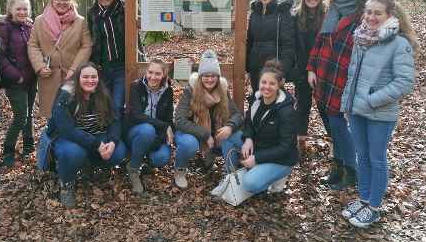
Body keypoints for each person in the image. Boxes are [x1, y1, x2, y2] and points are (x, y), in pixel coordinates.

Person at [340, 0, 417, 228]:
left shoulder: (399, 43)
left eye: (378, 13)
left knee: (376, 158)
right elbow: (352, 75)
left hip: (379, 113)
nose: (372, 17)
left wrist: (372, 100)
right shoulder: (360, 37)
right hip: (356, 110)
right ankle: (363, 199)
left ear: (389, 16)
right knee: (361, 156)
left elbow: (404, 82)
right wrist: (349, 103)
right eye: (369, 12)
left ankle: (374, 206)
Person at [307, 0, 373, 190]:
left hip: (345, 74)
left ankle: (350, 169)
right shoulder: (333, 10)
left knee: (337, 122)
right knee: (329, 121)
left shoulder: (365, 13)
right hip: (324, 72)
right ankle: (336, 166)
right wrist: (311, 68)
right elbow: (319, 41)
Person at [44, 62, 127, 208]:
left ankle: (89, 166)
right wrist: (96, 145)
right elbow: (66, 129)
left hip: (95, 135)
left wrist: (112, 141)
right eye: (86, 77)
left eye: (93, 77)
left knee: (119, 151)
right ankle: (66, 183)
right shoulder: (66, 94)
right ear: (78, 78)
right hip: (68, 138)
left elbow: (115, 120)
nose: (90, 80)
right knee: (74, 153)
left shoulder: (102, 93)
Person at [220, 60, 299, 194]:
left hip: (281, 159)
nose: (266, 87)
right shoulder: (256, 100)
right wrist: (249, 138)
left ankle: (275, 177)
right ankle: (232, 177)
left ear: (280, 84)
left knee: (250, 184)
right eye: (263, 82)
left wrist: (256, 158)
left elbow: (286, 147)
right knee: (227, 136)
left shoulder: (286, 111)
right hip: (260, 145)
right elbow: (248, 123)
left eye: (272, 83)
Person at [173, 50, 243, 189]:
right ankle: (180, 170)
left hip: (216, 135)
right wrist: (205, 134)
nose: (209, 79)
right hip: (193, 134)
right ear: (200, 76)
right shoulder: (190, 91)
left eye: (213, 76)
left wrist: (229, 127)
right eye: (205, 75)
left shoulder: (223, 91)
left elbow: (237, 115)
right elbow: (179, 120)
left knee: (237, 136)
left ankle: (232, 176)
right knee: (189, 144)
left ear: (218, 77)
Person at [28, 0, 92, 118]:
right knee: (52, 115)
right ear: (52, 0)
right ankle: (53, 139)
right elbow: (33, 45)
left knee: (72, 113)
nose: (62, 2)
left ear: (71, 1)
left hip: (72, 77)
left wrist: (74, 69)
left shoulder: (80, 22)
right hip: (48, 75)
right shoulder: (40, 21)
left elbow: (86, 46)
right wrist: (39, 66)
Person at [0, 0, 37, 167]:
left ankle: (29, 145)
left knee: (30, 115)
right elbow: (0, 57)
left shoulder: (30, 26)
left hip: (31, 79)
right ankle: (8, 150)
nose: (22, 12)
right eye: (18, 8)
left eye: (25, 8)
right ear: (10, 9)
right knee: (21, 116)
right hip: (15, 81)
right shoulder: (2, 27)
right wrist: (16, 75)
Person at [125, 59, 174, 194]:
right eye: (150, 72)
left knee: (161, 158)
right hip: (136, 132)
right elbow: (136, 116)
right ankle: (133, 169)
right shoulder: (136, 86)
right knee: (147, 130)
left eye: (157, 74)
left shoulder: (168, 91)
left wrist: (163, 131)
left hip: (156, 135)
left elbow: (168, 118)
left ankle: (146, 161)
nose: (153, 77)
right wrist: (164, 126)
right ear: (146, 72)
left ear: (164, 75)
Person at [293, 0, 331, 149]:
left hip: (324, 68)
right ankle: (300, 142)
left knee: (326, 107)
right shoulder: (295, 16)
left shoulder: (329, 15)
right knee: (302, 106)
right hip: (302, 69)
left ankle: (334, 142)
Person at [87, 0, 126, 135]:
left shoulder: (125, 7)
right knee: (104, 106)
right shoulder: (92, 13)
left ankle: (115, 142)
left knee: (117, 105)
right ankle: (107, 138)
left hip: (123, 66)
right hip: (102, 67)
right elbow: (91, 38)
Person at [245, 0, 296, 93]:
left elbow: (288, 45)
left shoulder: (282, 13)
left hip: (273, 67)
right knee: (257, 98)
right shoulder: (254, 13)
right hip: (255, 65)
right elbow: (250, 41)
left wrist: (283, 71)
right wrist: (247, 68)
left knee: (274, 100)